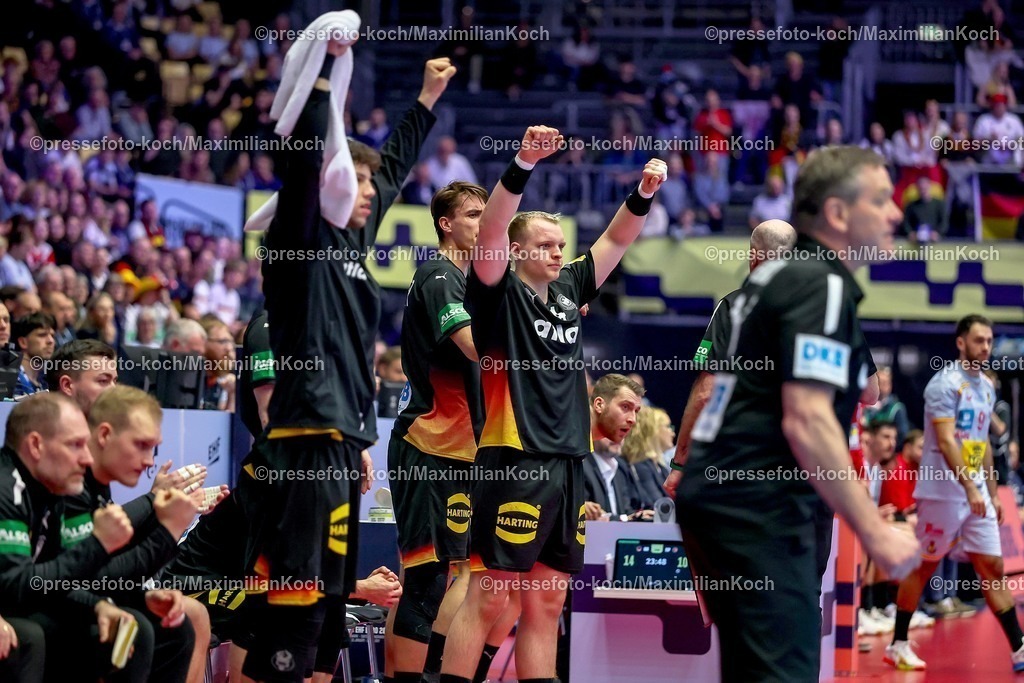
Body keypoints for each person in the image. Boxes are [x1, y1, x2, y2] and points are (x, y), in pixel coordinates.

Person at [229, 42, 457, 681]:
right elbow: (302, 168)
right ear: (328, 185)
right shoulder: (299, 241)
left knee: (326, 617)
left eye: (366, 183)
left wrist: (425, 102)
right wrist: (325, 76)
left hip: (337, 443)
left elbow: (393, 173)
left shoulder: (355, 245)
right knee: (295, 613)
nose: (367, 192)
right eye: (352, 181)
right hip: (298, 449)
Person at [673, 147, 920, 682]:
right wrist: (876, 533)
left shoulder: (762, 287)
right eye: (880, 199)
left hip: (720, 500)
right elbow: (806, 419)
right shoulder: (819, 283)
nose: (896, 212)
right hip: (756, 509)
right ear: (836, 214)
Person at [439, 124, 666, 683]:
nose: (558, 253)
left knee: (545, 604)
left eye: (561, 246)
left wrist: (642, 193)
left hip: (567, 463)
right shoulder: (496, 288)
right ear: (516, 250)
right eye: (545, 245)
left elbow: (614, 242)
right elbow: (493, 226)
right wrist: (522, 161)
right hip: (514, 458)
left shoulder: (567, 289)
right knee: (491, 598)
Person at [384, 181, 489, 683]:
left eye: (486, 214)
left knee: (464, 575)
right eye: (472, 214)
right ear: (446, 224)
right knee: (426, 579)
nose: (482, 222)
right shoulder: (439, 274)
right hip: (426, 446)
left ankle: (435, 674)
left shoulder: (472, 283)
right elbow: (474, 347)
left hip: (461, 451)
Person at [887, 314, 1024, 672]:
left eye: (990, 341)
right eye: (979, 340)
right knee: (926, 564)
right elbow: (947, 441)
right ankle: (899, 642)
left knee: (991, 567)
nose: (986, 347)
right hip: (943, 492)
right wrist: (967, 484)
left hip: (975, 491)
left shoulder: (986, 387)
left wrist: (992, 492)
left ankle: (1019, 648)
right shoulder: (943, 385)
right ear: (961, 342)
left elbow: (980, 445)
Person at [0, 392, 155, 681]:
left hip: (19, 602)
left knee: (130, 629)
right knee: (29, 637)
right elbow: (16, 586)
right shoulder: (7, 488)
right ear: (35, 445)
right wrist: (98, 544)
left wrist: (96, 604)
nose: (86, 458)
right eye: (75, 445)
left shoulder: (53, 487)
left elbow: (53, 576)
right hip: (13, 607)